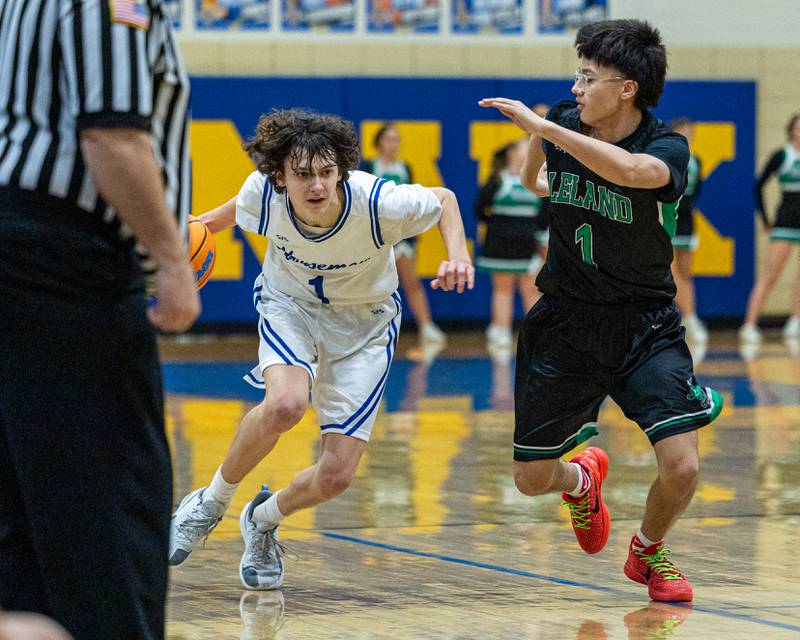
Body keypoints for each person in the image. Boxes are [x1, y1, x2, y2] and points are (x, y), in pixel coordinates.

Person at [169, 108, 473, 589]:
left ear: (342, 171)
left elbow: (445, 199)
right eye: (303, 174)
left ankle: (263, 519)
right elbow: (208, 224)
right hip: (289, 306)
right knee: (286, 404)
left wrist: (458, 254)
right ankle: (209, 501)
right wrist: (168, 253)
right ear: (280, 176)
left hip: (366, 326)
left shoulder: (377, 202)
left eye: (327, 172)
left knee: (336, 477)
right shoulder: (261, 195)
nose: (317, 185)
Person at [480, 18, 722, 602]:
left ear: (628, 88)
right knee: (531, 478)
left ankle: (649, 550)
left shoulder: (665, 146)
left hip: (645, 324)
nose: (578, 86)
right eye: (577, 75)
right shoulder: (565, 119)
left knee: (683, 466)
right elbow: (531, 180)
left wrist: (543, 126)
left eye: (590, 77)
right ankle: (580, 477)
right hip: (565, 321)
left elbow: (633, 174)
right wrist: (544, 133)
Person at [0, 1, 199, 639]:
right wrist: (169, 259)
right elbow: (110, 135)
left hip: (20, 259)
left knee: (26, 536)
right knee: (112, 517)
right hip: (64, 264)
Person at [362, 123, 447, 346]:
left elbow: (411, 203)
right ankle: (369, 332)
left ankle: (427, 327)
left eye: (396, 139)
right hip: (375, 238)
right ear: (379, 142)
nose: (393, 144)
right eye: (389, 139)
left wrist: (411, 234)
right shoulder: (370, 167)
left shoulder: (404, 168)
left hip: (401, 236)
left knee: (412, 282)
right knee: (370, 286)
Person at [475, 138, 547, 351]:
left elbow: (546, 211)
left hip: (527, 247)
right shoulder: (498, 178)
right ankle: (500, 332)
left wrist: (534, 234)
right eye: (524, 147)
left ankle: (537, 335)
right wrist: (501, 226)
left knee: (531, 290)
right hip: (499, 246)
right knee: (503, 290)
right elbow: (480, 208)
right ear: (512, 153)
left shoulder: (536, 178)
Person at [739, 113, 800, 343]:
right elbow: (758, 186)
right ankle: (750, 324)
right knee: (770, 274)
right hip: (784, 221)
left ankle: (795, 322)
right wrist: (765, 219)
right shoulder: (782, 155)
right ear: (791, 131)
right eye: (798, 128)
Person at [669, 118, 708, 344]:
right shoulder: (667, 157)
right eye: (682, 133)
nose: (687, 137)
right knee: (669, 272)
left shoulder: (697, 161)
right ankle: (691, 318)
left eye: (690, 133)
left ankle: (689, 318)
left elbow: (696, 191)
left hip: (687, 220)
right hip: (669, 218)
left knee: (686, 273)